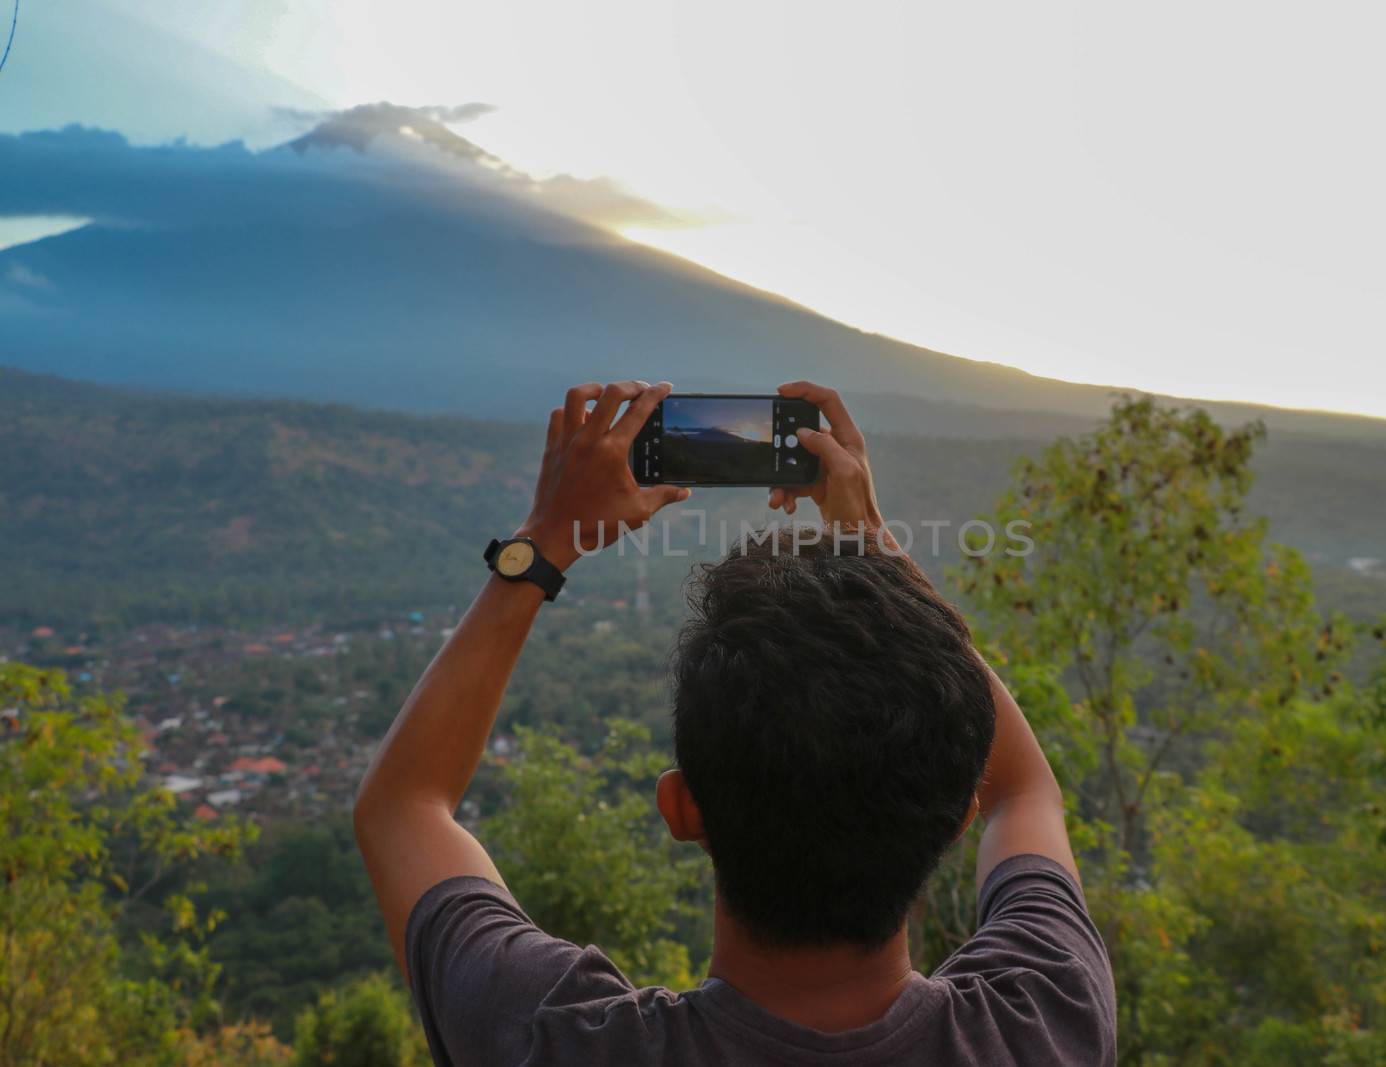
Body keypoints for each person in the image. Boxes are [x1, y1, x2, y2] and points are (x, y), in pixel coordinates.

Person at [354, 380, 1117, 1066]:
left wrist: (546, 541)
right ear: (959, 816)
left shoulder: (558, 1039)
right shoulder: (1046, 1025)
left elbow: (402, 805)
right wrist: (871, 548)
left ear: (681, 808)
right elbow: (1024, 790)